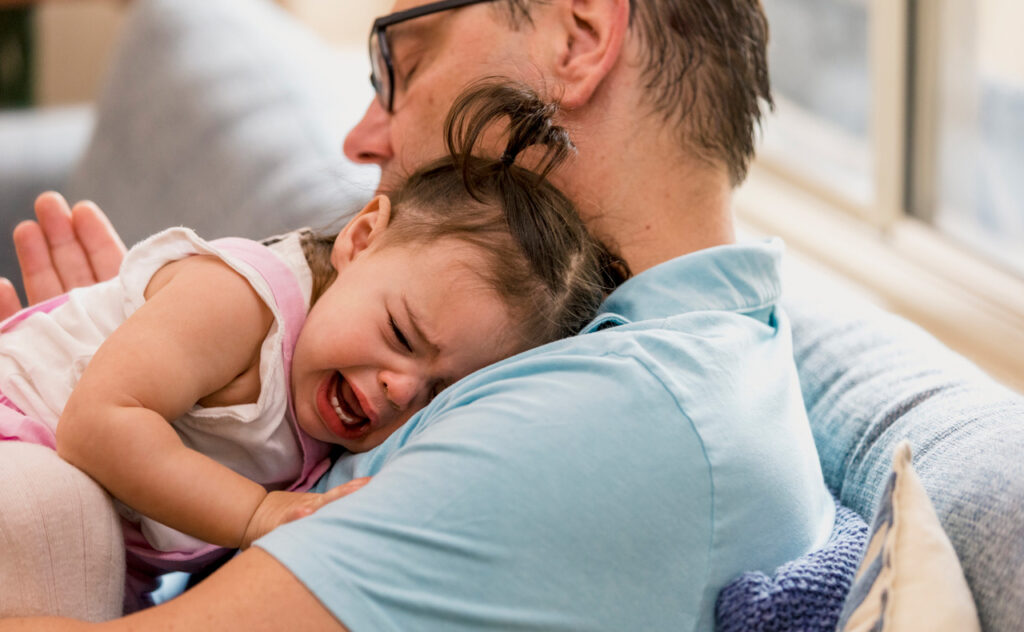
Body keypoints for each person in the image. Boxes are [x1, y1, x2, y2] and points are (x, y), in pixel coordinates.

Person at [0, 0, 837, 630]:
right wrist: (144, 416)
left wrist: (63, 522)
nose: (361, 140)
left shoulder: (616, 419)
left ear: (578, 37)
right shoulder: (662, 352)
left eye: (403, 59)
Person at [0, 81, 627, 618]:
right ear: (360, 238)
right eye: (402, 336)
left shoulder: (340, 435)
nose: (402, 388)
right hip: (25, 444)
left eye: (438, 393)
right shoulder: (243, 303)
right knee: (67, 515)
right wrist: (257, 514)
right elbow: (94, 424)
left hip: (87, 545)